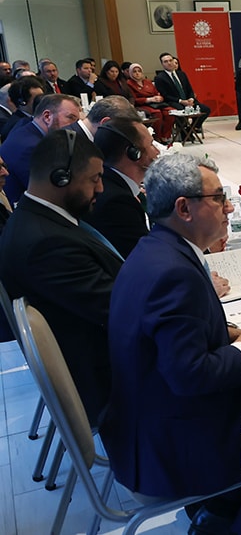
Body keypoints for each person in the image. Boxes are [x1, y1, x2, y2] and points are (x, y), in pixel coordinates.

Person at [102, 153, 241, 535]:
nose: (229, 207)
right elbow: (190, 376)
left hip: (150, 420)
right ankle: (230, 521)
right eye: (218, 198)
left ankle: (217, 512)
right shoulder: (174, 273)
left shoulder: (155, 249)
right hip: (172, 445)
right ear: (184, 208)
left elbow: (169, 336)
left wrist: (224, 333)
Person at [0, 128, 122, 425]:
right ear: (60, 178)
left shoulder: (37, 218)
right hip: (108, 380)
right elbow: (121, 310)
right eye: (95, 179)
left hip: (95, 355)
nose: (101, 188)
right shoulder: (46, 244)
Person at [84, 116, 159, 259]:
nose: (157, 152)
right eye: (151, 144)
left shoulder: (107, 183)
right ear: (134, 153)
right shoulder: (117, 202)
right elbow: (145, 258)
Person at [1, 93, 82, 206]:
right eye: (70, 117)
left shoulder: (27, 127)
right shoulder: (33, 147)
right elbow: (49, 194)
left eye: (77, 120)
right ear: (47, 116)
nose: (75, 125)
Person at [154, 53, 211, 128]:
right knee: (181, 111)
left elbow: (189, 89)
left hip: (188, 101)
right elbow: (165, 95)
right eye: (166, 61)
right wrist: (181, 101)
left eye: (170, 60)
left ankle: (192, 128)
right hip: (174, 102)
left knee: (205, 109)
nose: (169, 63)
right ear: (162, 64)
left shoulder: (182, 74)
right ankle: (184, 131)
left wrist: (191, 99)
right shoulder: (159, 78)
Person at [125, 63, 174, 143]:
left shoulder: (147, 82)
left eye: (139, 71)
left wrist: (159, 98)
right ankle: (157, 137)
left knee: (170, 112)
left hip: (155, 103)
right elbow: (134, 99)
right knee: (157, 113)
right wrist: (149, 99)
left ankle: (165, 135)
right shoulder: (129, 84)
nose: (137, 73)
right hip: (142, 105)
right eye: (134, 71)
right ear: (130, 73)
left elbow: (156, 92)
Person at [1, 75, 45, 141]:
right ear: (22, 102)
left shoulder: (30, 119)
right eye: (37, 98)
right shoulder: (18, 126)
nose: (42, 101)